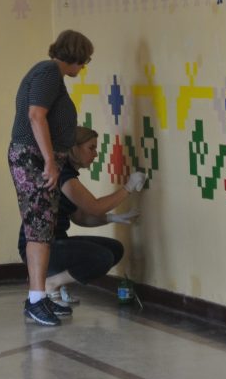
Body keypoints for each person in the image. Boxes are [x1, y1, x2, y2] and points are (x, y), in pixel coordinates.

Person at [9, 30, 94, 326]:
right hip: (33, 159)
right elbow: (36, 115)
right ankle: (36, 300)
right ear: (75, 55)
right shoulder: (48, 72)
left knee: (42, 230)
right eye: (85, 60)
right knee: (39, 230)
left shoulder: (50, 74)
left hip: (37, 158)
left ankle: (39, 297)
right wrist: (48, 160)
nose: (84, 66)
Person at [18, 126, 146, 306]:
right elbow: (95, 207)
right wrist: (128, 187)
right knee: (102, 257)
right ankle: (51, 284)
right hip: (40, 247)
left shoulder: (66, 172)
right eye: (91, 148)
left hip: (56, 242)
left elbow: (80, 217)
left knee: (115, 249)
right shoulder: (63, 174)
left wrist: (111, 218)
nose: (96, 154)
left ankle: (54, 283)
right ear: (74, 149)